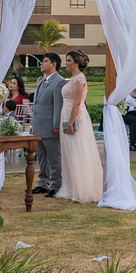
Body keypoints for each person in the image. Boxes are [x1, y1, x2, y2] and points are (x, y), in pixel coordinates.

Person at [55, 50, 103, 204]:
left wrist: (70, 122)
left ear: (76, 63)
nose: (66, 63)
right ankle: (71, 188)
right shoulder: (71, 79)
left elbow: (76, 102)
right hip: (65, 117)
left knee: (77, 152)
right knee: (69, 153)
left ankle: (83, 190)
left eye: (68, 60)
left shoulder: (79, 79)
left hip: (75, 119)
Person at [30, 52, 65, 197]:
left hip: (51, 128)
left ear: (53, 64)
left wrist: (56, 125)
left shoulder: (59, 82)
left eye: (45, 61)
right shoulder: (42, 81)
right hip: (39, 127)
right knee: (41, 158)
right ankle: (43, 183)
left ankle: (57, 185)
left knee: (54, 158)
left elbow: (58, 106)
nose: (41, 64)